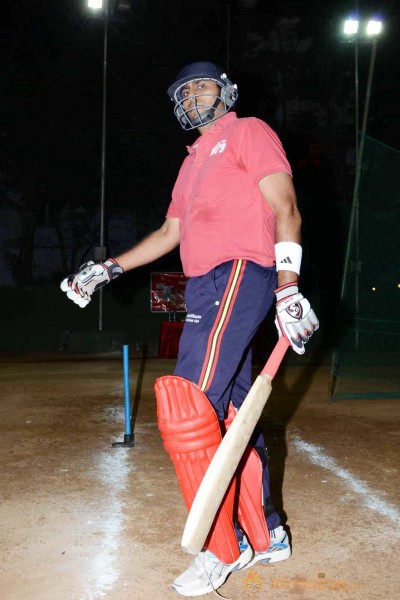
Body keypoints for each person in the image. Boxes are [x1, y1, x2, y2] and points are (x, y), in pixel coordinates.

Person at [61, 61, 319, 596]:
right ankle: (267, 533)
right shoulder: (192, 163)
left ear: (226, 91)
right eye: (182, 90)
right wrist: (106, 268)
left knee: (189, 407)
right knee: (227, 412)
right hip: (205, 284)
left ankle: (223, 548)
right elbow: (169, 232)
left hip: (240, 270)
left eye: (201, 84)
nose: (191, 95)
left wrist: (289, 287)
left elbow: (286, 208)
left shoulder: (248, 132)